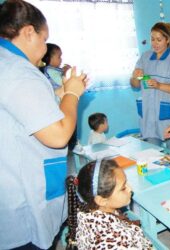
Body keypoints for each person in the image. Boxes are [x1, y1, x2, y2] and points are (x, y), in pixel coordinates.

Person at [0, 0, 87, 249]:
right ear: (29, 32)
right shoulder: (19, 71)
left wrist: (60, 92)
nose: (44, 48)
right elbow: (58, 135)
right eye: (44, 39)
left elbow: (25, 107)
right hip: (20, 199)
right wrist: (72, 95)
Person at [66, 159, 153, 249]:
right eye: (123, 188)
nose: (130, 188)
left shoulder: (86, 209)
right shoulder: (116, 240)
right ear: (101, 200)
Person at [130, 22, 170, 152]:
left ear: (167, 40)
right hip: (148, 119)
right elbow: (135, 85)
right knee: (151, 157)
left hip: (169, 119)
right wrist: (135, 77)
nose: (154, 43)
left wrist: (159, 85)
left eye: (159, 40)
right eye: (152, 39)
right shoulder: (145, 57)